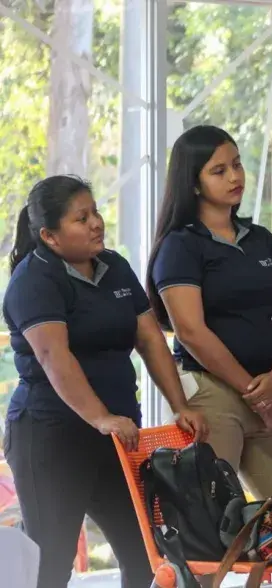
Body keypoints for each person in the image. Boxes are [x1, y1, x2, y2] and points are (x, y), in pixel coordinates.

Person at [2, 175, 207, 588]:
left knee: (145, 554)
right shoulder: (33, 280)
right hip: (51, 438)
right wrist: (100, 417)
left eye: (95, 212)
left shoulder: (115, 267)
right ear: (50, 236)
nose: (96, 222)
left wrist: (181, 405)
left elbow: (150, 339)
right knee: (51, 562)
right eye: (82, 218)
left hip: (117, 438)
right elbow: (53, 355)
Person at [146, 126, 272, 588]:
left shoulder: (260, 238)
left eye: (238, 164)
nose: (235, 177)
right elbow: (190, 330)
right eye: (219, 169)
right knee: (209, 542)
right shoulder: (180, 245)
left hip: (268, 396)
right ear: (193, 182)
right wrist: (252, 388)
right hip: (212, 397)